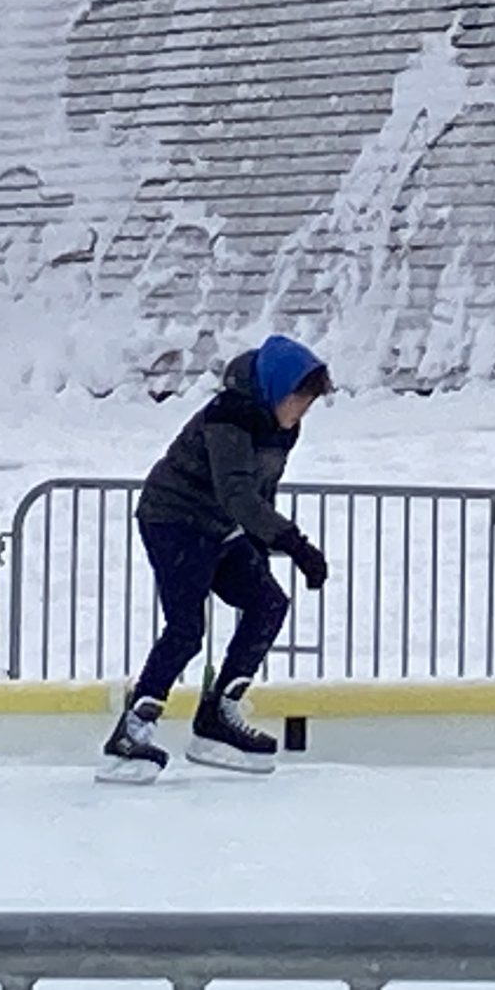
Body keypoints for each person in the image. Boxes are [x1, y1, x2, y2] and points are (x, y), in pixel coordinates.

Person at [98, 336, 332, 783]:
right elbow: (237, 492)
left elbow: (261, 490)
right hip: (173, 519)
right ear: (276, 389)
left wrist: (262, 549)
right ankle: (131, 732)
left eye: (308, 404)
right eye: (299, 400)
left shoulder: (282, 428)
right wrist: (296, 544)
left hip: (221, 526)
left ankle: (218, 715)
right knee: (186, 630)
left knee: (268, 602)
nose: (302, 412)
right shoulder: (230, 417)